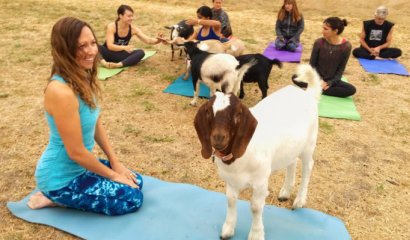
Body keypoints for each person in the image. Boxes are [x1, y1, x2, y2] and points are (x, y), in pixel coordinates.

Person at [27, 17, 143, 216]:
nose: (91, 51)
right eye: (81, 46)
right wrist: (114, 176)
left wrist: (115, 163)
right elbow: (76, 152)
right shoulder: (60, 92)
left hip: (79, 169)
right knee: (132, 198)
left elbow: (96, 123)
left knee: (136, 181)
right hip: (59, 179)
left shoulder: (83, 75)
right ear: (64, 50)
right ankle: (53, 196)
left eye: (92, 43)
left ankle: (62, 196)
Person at [297, 17, 356, 98]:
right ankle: (320, 88)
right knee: (296, 77)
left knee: (351, 90)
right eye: (323, 28)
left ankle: (317, 89)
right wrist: (319, 80)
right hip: (316, 77)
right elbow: (312, 65)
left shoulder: (346, 47)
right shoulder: (319, 42)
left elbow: (340, 70)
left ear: (335, 31)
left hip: (331, 81)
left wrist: (330, 83)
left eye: (326, 29)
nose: (322, 31)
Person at [99, 4, 165, 68]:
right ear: (120, 16)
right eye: (129, 16)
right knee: (95, 46)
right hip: (106, 53)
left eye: (132, 16)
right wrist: (124, 47)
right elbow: (110, 46)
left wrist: (159, 40)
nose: (131, 18)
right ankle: (104, 63)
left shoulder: (133, 29)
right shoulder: (112, 26)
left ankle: (118, 65)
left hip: (120, 56)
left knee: (140, 52)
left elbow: (148, 40)